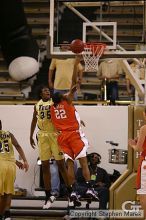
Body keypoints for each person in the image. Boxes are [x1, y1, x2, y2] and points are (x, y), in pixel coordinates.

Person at [50, 56, 98, 205]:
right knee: (84, 163)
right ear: (62, 97)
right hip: (73, 135)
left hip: (62, 137)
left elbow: (63, 118)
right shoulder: (67, 101)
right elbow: (72, 84)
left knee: (70, 164)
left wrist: (77, 118)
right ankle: (90, 188)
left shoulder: (52, 107)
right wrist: (76, 64)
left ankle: (73, 192)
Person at [30, 85, 70, 209]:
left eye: (48, 90)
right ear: (41, 94)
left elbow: (68, 106)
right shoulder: (37, 105)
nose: (47, 92)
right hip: (42, 136)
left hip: (55, 135)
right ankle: (48, 196)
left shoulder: (55, 101)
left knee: (61, 165)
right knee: (45, 166)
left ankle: (70, 193)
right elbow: (33, 120)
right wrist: (30, 135)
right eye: (45, 91)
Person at [0, 119, 29, 220]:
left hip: (0, 165)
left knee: (0, 192)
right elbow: (17, 146)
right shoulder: (8, 134)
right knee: (8, 191)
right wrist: (24, 161)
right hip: (11, 165)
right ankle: (7, 214)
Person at [128, 107, 146, 219]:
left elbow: (138, 148)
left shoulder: (144, 128)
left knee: (143, 194)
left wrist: (132, 144)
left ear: (144, 114)